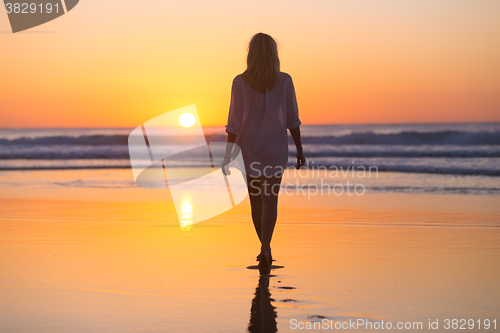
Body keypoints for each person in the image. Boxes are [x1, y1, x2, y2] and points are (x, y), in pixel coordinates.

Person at [223, 32, 305, 268]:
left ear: (251, 54)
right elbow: (292, 120)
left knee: (256, 202)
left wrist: (228, 154)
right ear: (273, 53)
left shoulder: (240, 81)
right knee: (271, 201)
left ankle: (265, 248)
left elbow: (234, 124)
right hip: (275, 148)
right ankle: (266, 247)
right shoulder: (285, 80)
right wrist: (300, 150)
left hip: (249, 149)